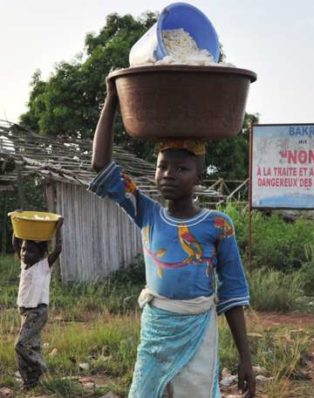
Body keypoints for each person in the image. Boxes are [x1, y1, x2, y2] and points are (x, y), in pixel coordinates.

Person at [90, 79, 255, 398]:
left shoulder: (218, 225)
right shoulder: (146, 211)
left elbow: (233, 294)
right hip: (156, 332)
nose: (168, 174)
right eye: (162, 166)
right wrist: (112, 99)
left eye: (181, 168)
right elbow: (101, 164)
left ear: (199, 176)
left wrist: (245, 359)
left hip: (198, 332)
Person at [13, 217, 63, 389]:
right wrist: (16, 223)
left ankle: (40, 366)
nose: (25, 253)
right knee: (30, 347)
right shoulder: (23, 264)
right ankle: (30, 382)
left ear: (40, 254)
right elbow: (15, 241)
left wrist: (58, 228)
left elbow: (58, 249)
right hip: (25, 313)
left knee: (20, 345)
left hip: (37, 312)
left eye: (31, 251)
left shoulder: (43, 266)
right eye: (24, 249)